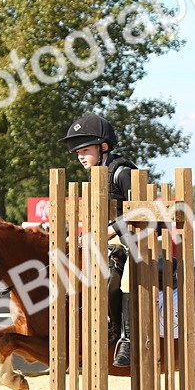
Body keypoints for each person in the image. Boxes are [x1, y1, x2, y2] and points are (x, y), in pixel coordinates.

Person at [61, 113, 137, 367]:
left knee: (120, 277)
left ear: (103, 147)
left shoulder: (122, 172)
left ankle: (125, 337)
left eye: (84, 150)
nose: (80, 156)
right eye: (77, 152)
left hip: (136, 241)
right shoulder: (96, 176)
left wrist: (110, 230)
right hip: (108, 242)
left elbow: (140, 212)